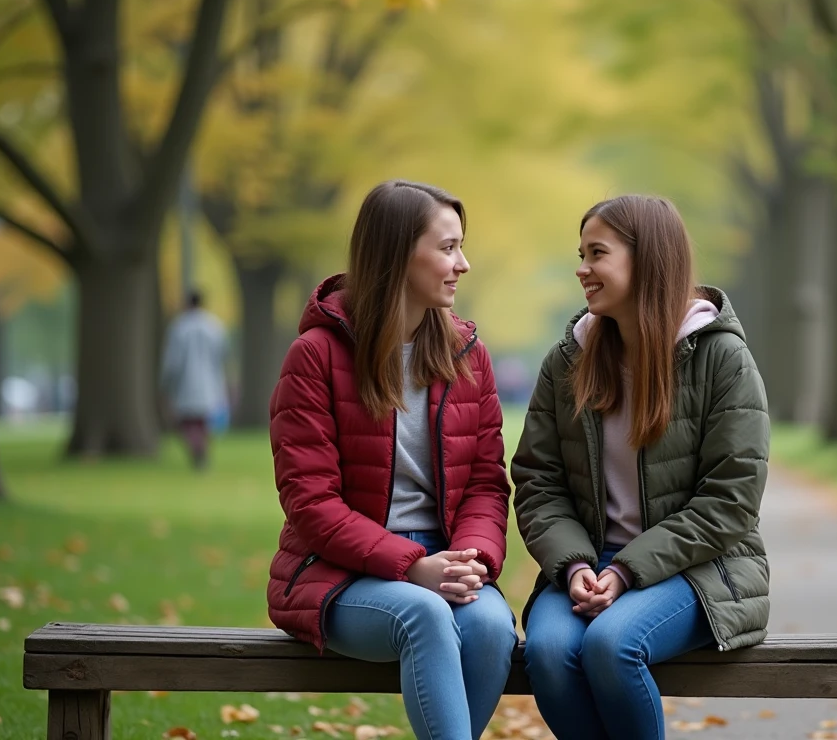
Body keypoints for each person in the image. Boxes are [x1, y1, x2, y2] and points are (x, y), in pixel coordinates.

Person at [512, 194, 771, 740]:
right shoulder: (568, 362)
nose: (582, 269)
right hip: (589, 566)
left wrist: (629, 570)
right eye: (580, 254)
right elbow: (539, 482)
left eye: (596, 254)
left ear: (646, 258)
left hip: (703, 572)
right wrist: (576, 565)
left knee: (612, 645)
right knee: (550, 651)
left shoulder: (720, 357)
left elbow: (731, 499)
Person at [267, 180, 515, 740]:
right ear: (398, 253)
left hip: (444, 559)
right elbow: (311, 502)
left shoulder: (465, 353)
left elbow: (485, 482)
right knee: (423, 615)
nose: (463, 264)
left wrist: (470, 557)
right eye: (448, 248)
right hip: (338, 575)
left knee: (494, 628)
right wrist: (411, 566)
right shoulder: (315, 357)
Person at [160, 290, 228, 469]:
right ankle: (201, 448)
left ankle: (196, 449)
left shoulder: (179, 327)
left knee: (187, 421)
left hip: (185, 384)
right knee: (203, 421)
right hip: (210, 382)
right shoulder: (215, 326)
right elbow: (222, 356)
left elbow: (172, 361)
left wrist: (166, 382)